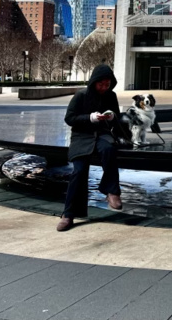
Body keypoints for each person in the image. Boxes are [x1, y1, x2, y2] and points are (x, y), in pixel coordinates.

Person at [57, 64, 123, 232]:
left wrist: (112, 116)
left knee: (109, 150)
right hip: (82, 137)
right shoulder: (81, 96)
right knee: (79, 170)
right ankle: (68, 214)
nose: (103, 88)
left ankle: (112, 191)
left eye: (107, 85)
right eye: (101, 84)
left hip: (102, 134)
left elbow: (117, 119)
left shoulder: (111, 96)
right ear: (94, 82)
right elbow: (70, 118)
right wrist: (90, 118)